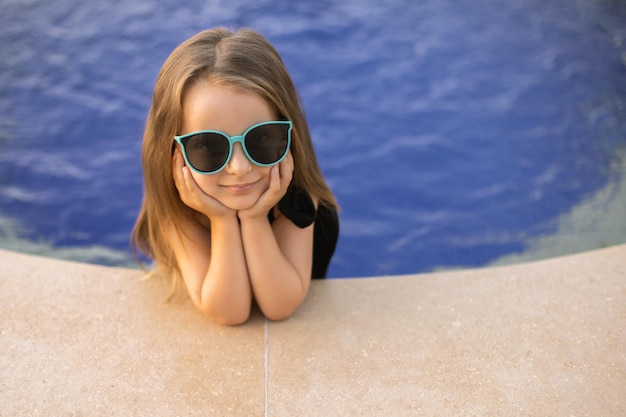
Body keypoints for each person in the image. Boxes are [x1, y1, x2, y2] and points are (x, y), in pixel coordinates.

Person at [131, 28, 339, 325]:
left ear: (288, 134)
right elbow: (230, 312)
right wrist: (222, 220)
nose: (239, 167)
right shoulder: (178, 210)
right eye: (209, 146)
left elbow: (280, 305)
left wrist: (255, 219)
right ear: (173, 153)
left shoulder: (296, 197)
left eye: (261, 139)